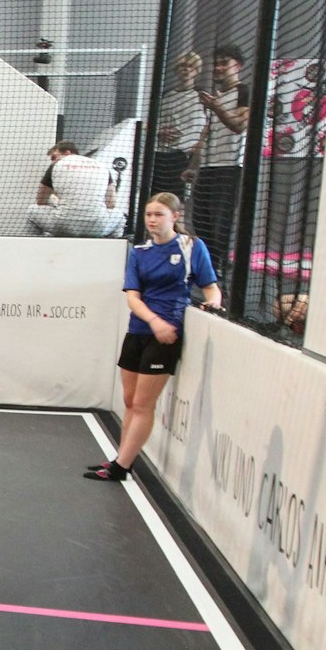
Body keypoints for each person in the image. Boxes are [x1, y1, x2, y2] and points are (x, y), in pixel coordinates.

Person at [87, 193, 221, 482]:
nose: (152, 220)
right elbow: (133, 297)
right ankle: (120, 457)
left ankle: (121, 466)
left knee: (143, 404)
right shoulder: (140, 251)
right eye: (149, 214)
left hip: (166, 336)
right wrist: (152, 321)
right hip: (139, 330)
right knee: (130, 399)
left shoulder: (190, 247)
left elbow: (210, 286)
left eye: (159, 214)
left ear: (175, 216)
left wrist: (213, 302)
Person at [186, 45, 250, 267]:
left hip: (230, 165)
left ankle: (218, 267)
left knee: (219, 220)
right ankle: (209, 265)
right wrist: (193, 166)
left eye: (225, 63)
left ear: (238, 66)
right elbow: (207, 133)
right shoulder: (218, 97)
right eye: (217, 63)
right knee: (200, 219)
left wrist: (217, 107)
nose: (219, 68)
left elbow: (239, 125)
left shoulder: (244, 92)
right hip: (209, 166)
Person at [25, 141, 123, 237]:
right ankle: (113, 249)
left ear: (68, 153)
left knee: (32, 210)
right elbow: (111, 203)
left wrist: (55, 201)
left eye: (54, 157)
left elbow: (41, 201)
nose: (53, 161)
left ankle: (35, 247)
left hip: (64, 225)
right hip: (98, 226)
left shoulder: (56, 165)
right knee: (119, 215)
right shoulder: (102, 166)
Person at [152, 52, 206, 199]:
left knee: (178, 201)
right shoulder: (165, 96)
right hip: (161, 155)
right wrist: (158, 131)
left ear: (196, 71)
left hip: (184, 157)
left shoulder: (202, 96)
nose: (186, 70)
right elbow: (152, 123)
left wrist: (198, 146)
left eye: (191, 67)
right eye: (182, 66)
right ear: (176, 70)